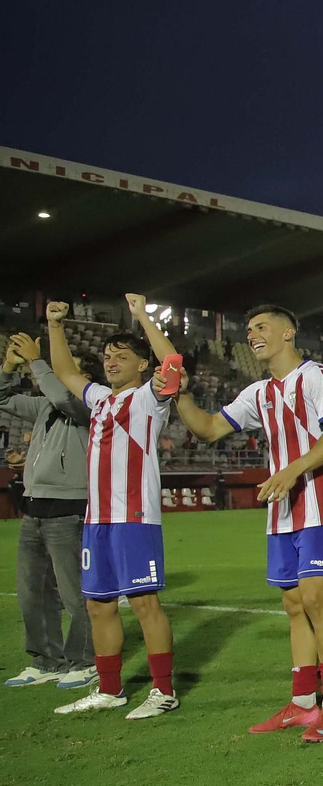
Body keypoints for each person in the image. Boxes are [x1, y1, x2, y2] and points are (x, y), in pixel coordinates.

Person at [164, 305, 323, 742]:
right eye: (248, 329)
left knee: (315, 600)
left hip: (320, 506)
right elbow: (210, 429)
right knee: (292, 605)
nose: (251, 334)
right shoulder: (258, 393)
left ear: (289, 332)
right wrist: (181, 395)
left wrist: (291, 471)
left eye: (261, 327)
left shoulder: (320, 377)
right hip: (282, 511)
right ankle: (304, 702)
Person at [48, 295, 182, 719]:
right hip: (98, 520)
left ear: (142, 365)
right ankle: (110, 689)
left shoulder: (148, 398)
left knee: (144, 604)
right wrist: (54, 326)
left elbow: (173, 361)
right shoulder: (101, 399)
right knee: (98, 605)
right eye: (108, 356)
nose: (111, 361)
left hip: (135, 517)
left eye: (121, 356)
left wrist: (141, 315)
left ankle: (164, 690)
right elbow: (66, 371)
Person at [1, 332, 95, 689]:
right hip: (33, 509)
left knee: (76, 593)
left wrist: (37, 362)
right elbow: (1, 397)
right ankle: (46, 661)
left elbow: (60, 392)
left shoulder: (91, 405)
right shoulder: (44, 408)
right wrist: (10, 365)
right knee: (32, 593)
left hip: (69, 511)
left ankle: (85, 660)